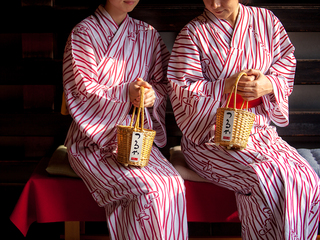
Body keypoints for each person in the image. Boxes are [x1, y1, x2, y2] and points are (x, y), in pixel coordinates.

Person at [167, 0, 320, 239]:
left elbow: (286, 63)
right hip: (210, 141)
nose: (214, 4)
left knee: (305, 179)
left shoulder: (266, 21)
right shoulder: (193, 33)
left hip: (260, 134)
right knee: (263, 178)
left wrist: (268, 85)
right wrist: (226, 86)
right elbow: (181, 89)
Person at [62, 1, 188, 239]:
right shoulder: (84, 32)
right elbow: (79, 89)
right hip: (92, 142)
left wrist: (151, 95)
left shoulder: (147, 34)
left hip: (136, 142)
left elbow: (163, 84)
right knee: (148, 189)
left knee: (171, 185)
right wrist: (124, 93)